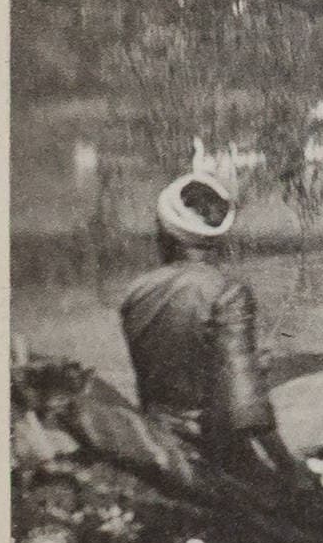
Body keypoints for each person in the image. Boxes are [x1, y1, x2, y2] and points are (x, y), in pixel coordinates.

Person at [111, 172, 302, 482]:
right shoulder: (227, 291)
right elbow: (246, 409)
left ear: (164, 230)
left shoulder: (136, 292)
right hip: (212, 450)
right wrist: (290, 467)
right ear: (215, 238)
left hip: (156, 439)